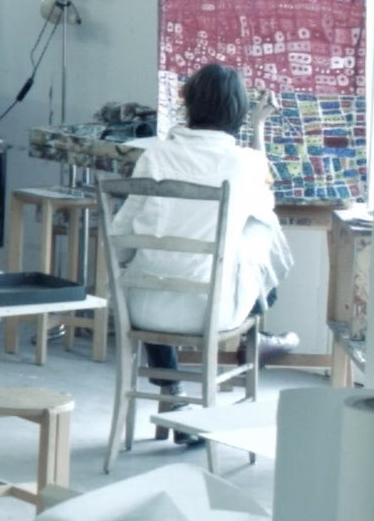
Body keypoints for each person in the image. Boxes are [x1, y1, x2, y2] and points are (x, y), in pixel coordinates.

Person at [111, 64, 294, 434]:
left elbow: (120, 234)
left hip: (142, 309)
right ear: (238, 111)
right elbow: (263, 199)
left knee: (156, 258)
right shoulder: (245, 162)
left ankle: (173, 391)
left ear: (188, 104)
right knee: (260, 228)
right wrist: (258, 128)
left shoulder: (155, 157)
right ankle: (255, 333)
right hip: (213, 311)